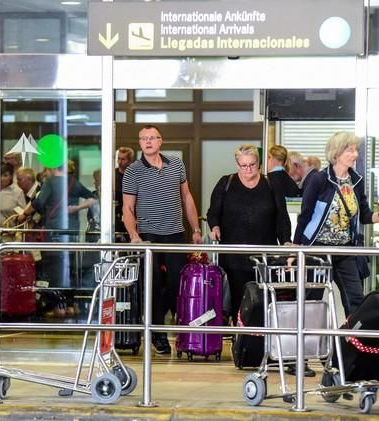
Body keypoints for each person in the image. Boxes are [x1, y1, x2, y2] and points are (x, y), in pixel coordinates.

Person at [294, 132, 379, 316]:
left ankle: (353, 342)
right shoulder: (320, 179)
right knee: (310, 299)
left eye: (356, 150)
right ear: (336, 153)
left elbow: (364, 215)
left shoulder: (356, 181)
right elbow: (305, 216)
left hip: (345, 250)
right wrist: (296, 249)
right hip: (318, 250)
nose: (355, 154)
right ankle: (305, 341)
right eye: (350, 150)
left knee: (355, 300)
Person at [122, 124, 203, 355]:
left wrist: (195, 227)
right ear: (140, 143)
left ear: (160, 141)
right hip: (148, 235)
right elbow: (128, 207)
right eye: (143, 138)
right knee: (154, 285)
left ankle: (175, 325)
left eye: (152, 138)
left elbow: (186, 196)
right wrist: (134, 235)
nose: (148, 142)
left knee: (178, 283)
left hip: (176, 232)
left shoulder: (176, 163)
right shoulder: (133, 171)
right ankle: (158, 334)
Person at [207, 144, 292, 321]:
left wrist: (286, 241)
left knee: (263, 297)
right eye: (243, 165)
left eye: (252, 165)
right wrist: (214, 227)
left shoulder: (270, 184)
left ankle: (259, 336)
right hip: (234, 253)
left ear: (258, 163)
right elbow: (213, 212)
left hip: (264, 253)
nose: (248, 169)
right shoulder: (226, 182)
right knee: (238, 296)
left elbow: (281, 217)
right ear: (237, 165)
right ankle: (240, 336)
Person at [115, 146, 135, 241]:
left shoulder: (134, 176)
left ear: (130, 160)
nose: (120, 161)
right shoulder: (112, 176)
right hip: (116, 215)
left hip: (132, 213)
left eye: (123, 159)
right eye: (118, 158)